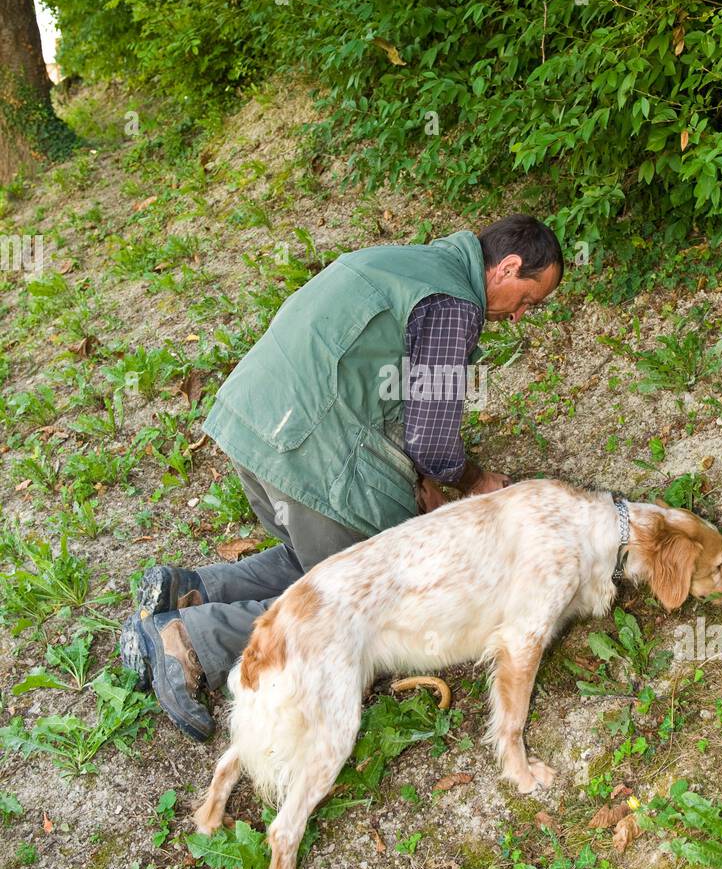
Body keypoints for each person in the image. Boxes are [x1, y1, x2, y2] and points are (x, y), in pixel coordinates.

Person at [120, 214, 563, 739]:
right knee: (356, 601)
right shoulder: (453, 307)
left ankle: (193, 589)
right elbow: (432, 439)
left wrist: (420, 474)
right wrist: (473, 480)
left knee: (324, 557)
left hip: (252, 430)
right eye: (529, 300)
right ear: (508, 267)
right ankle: (192, 641)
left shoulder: (408, 264)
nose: (519, 317)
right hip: (307, 451)